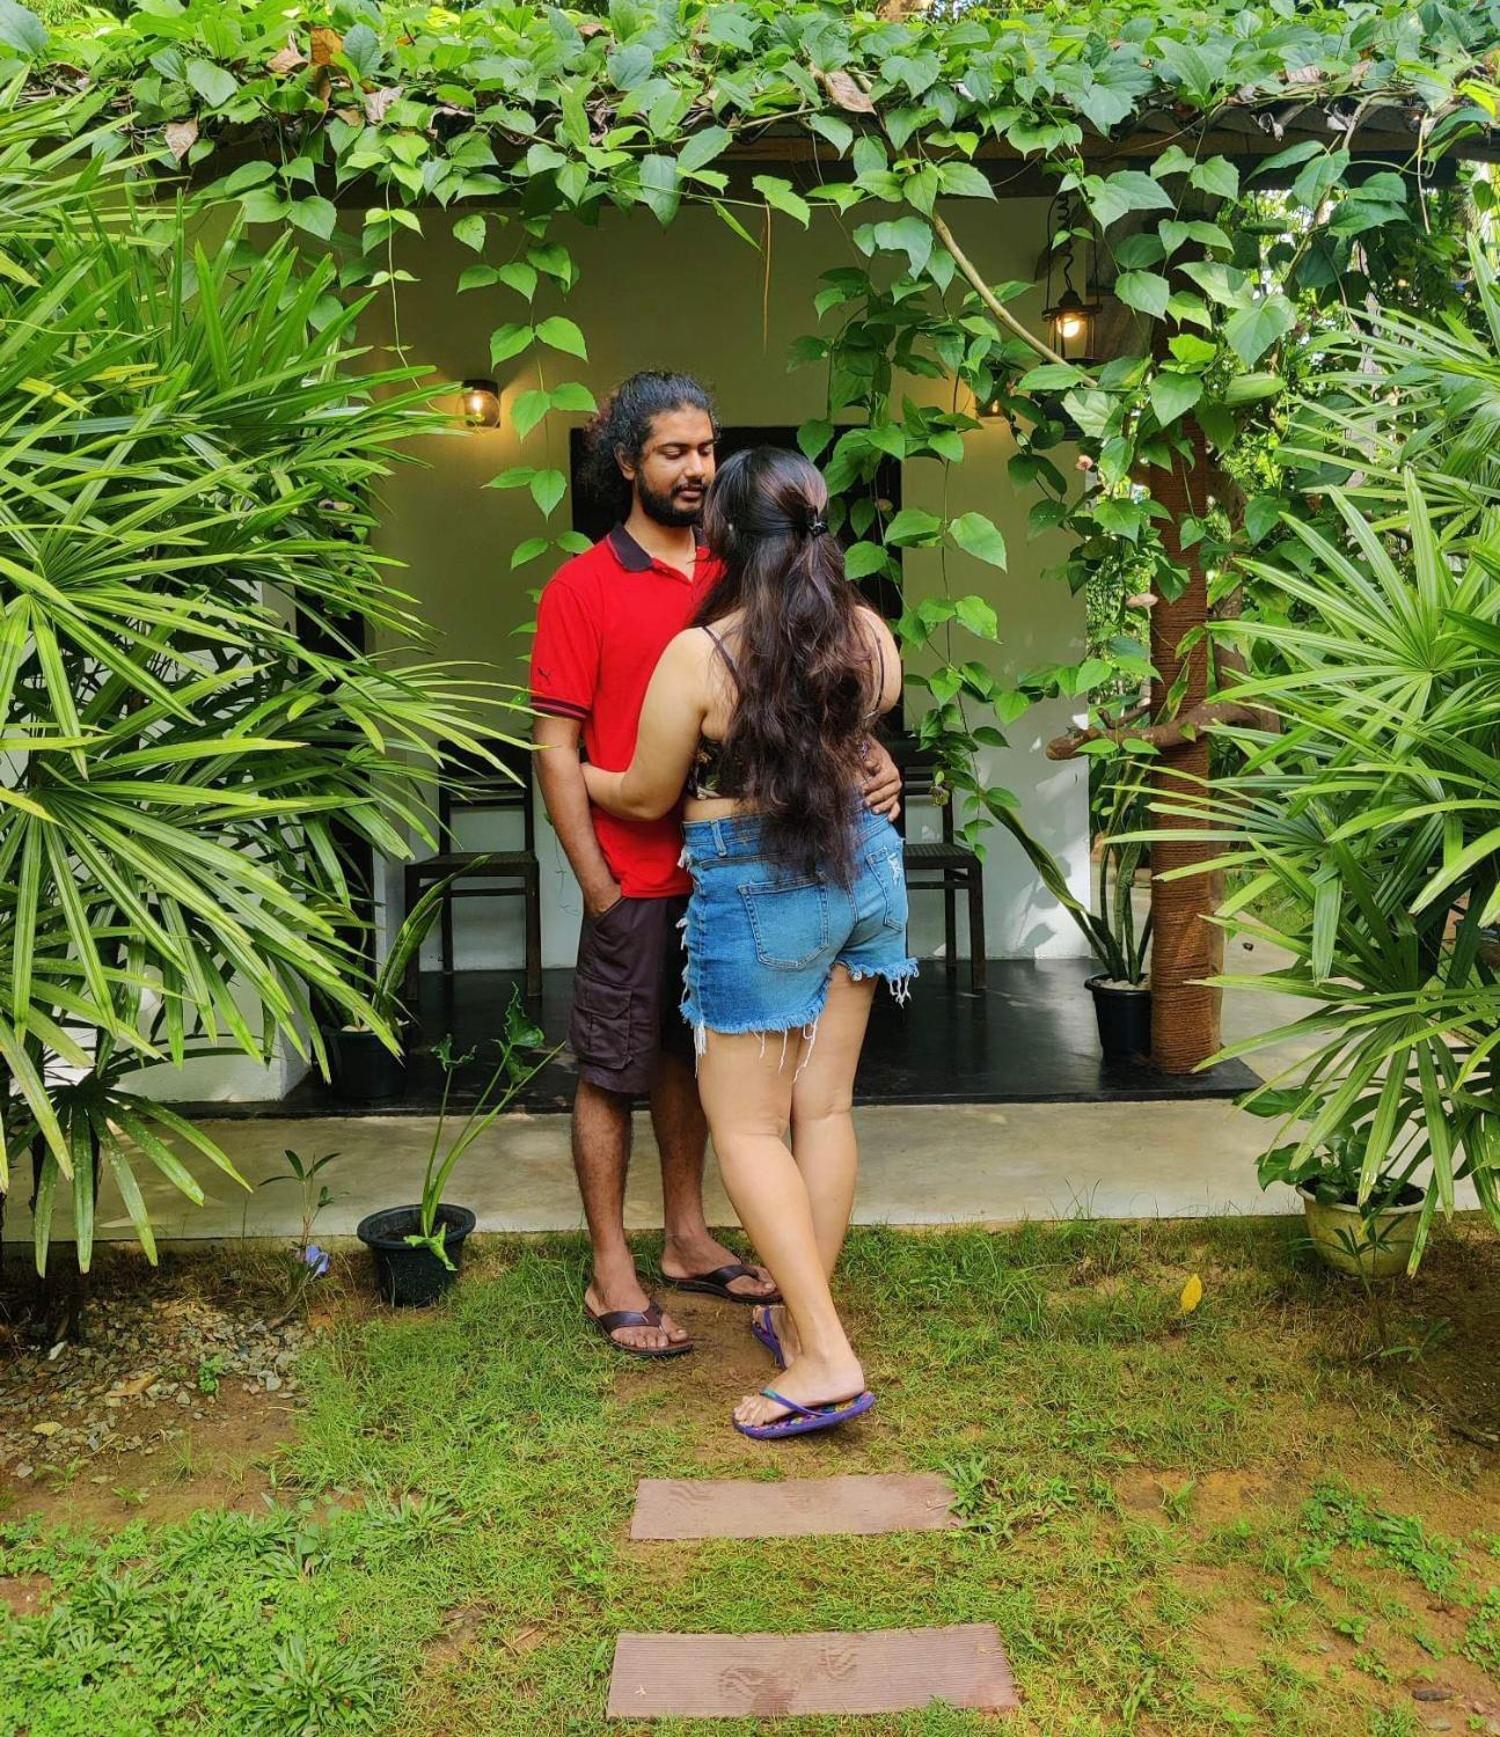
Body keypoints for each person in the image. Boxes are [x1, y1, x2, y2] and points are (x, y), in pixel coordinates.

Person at [530, 376, 901, 1359]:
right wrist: (598, 884)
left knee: (698, 1073)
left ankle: (689, 1237)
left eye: (706, 450)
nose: (696, 468)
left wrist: (870, 757)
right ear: (627, 463)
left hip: (746, 879)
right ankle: (612, 1267)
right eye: (673, 452)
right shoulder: (582, 587)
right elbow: (555, 749)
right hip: (640, 877)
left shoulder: (742, 568)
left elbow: (808, 702)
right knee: (614, 1069)